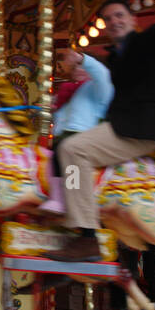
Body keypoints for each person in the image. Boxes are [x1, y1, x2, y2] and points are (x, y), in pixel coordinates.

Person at [47, 0, 155, 261]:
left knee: (74, 150)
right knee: (67, 151)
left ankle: (86, 236)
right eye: (108, 18)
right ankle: (78, 217)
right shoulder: (115, 58)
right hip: (124, 125)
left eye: (119, 15)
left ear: (133, 19)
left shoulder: (150, 40)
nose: (113, 21)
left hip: (143, 127)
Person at [40, 46, 114, 215]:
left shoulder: (99, 89)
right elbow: (61, 116)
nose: (78, 70)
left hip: (83, 135)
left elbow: (101, 74)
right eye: (75, 68)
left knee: (68, 159)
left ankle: (69, 198)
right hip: (63, 136)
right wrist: (51, 110)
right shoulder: (71, 93)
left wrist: (84, 60)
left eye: (82, 67)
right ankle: (57, 198)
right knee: (51, 160)